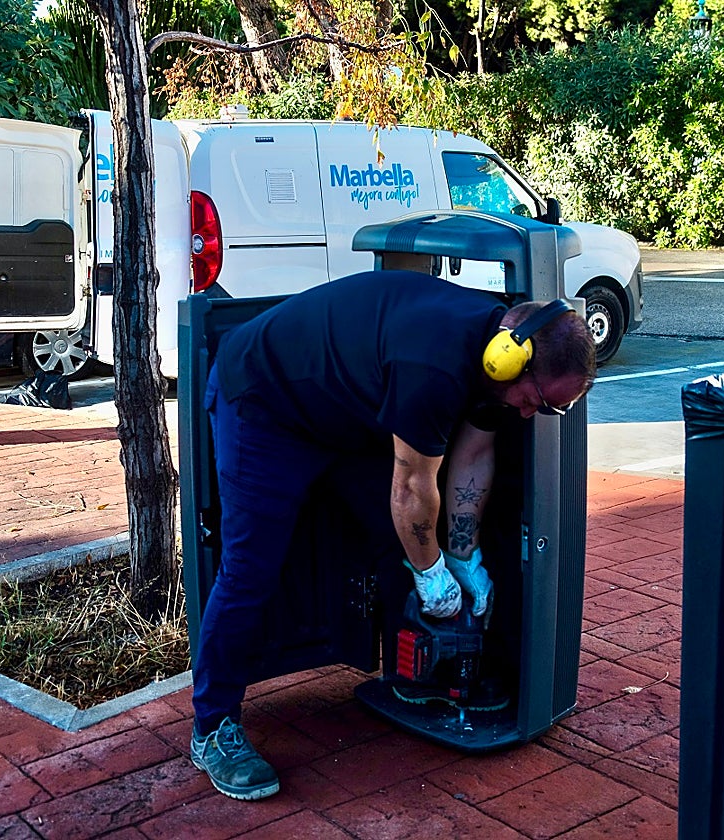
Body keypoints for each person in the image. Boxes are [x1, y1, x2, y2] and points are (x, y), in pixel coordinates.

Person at [190, 268, 597, 801]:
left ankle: (417, 675)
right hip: (265, 402)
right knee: (251, 569)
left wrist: (463, 557)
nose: (534, 414)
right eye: (540, 402)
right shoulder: (435, 364)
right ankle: (212, 727)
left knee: (396, 541)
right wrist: (432, 576)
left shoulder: (492, 363)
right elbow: (412, 489)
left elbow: (472, 457)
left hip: (343, 414)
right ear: (510, 357)